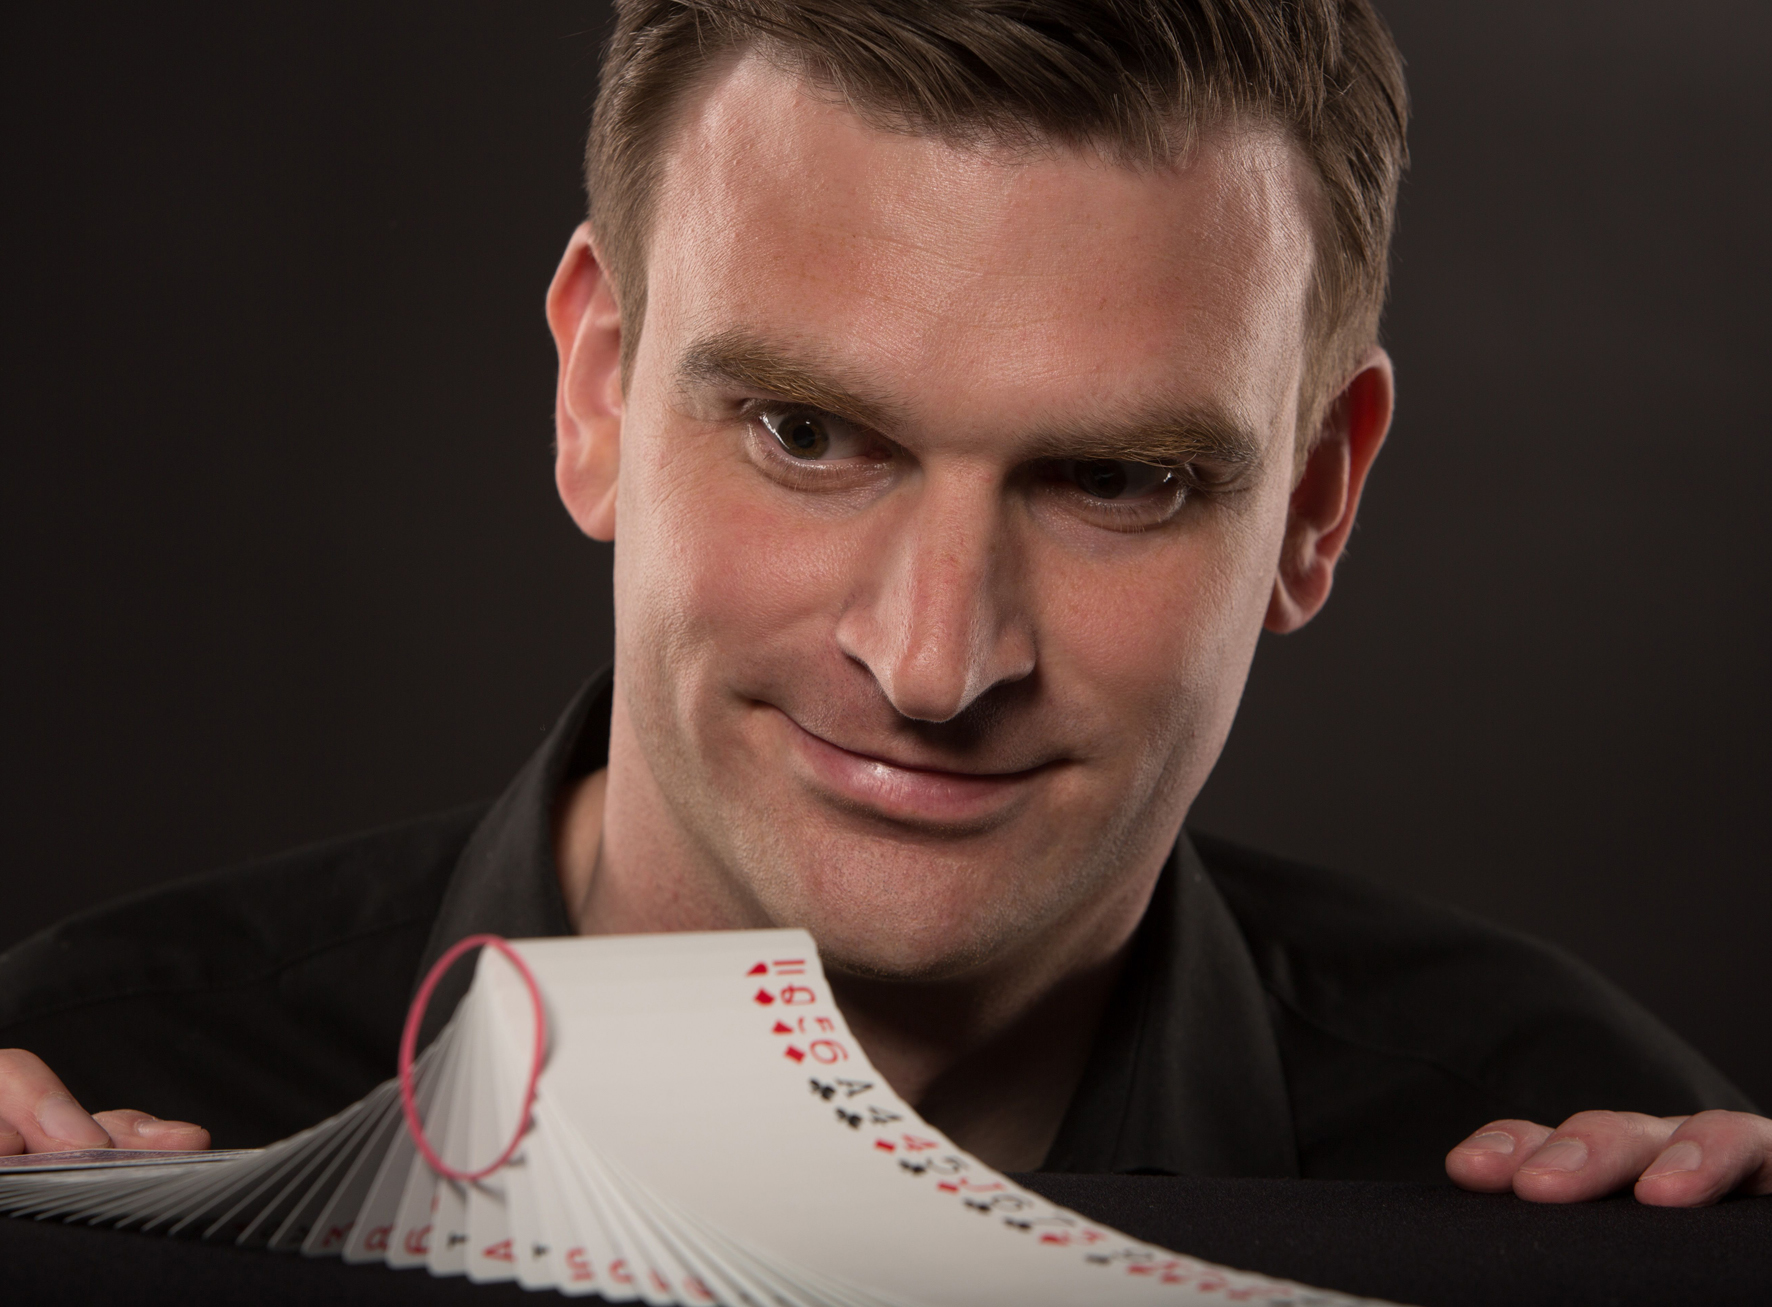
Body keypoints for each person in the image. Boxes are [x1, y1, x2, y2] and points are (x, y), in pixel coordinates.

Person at [2, 0, 1768, 1209]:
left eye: (1115, 480)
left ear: (1316, 501)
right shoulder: (83, 1105)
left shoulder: (1584, 1185)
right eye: (807, 434)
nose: (933, 666)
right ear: (599, 392)